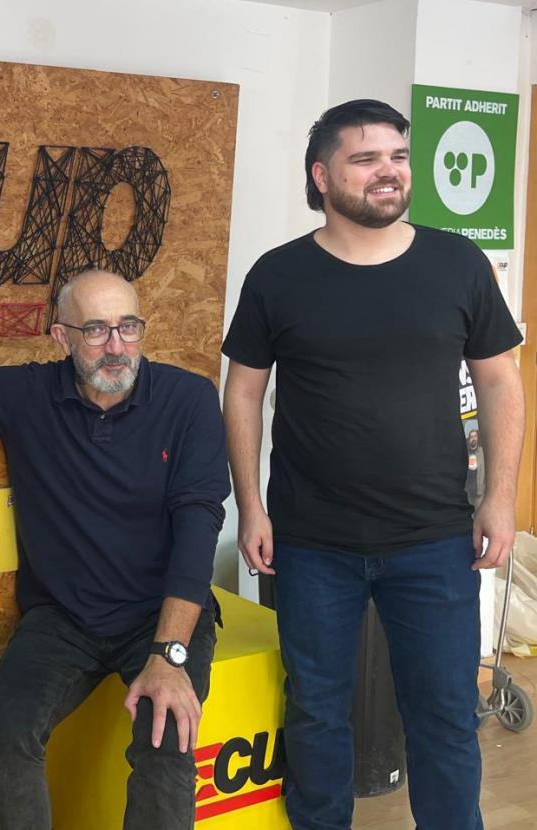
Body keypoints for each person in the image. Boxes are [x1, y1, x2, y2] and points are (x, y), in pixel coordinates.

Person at [222, 99, 524, 830]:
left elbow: (499, 380)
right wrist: (251, 508)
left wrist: (500, 496)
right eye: (365, 159)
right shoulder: (279, 275)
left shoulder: (457, 263)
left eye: (398, 156)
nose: (388, 171)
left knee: (444, 714)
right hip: (311, 539)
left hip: (434, 538)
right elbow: (243, 393)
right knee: (316, 712)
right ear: (322, 176)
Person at [0, 269, 231, 830]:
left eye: (128, 327)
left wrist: (170, 655)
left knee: (166, 741)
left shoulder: (189, 400)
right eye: (95, 330)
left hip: (159, 613)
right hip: (62, 617)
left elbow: (198, 528)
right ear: (61, 338)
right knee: (3, 737)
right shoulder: (27, 394)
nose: (116, 346)